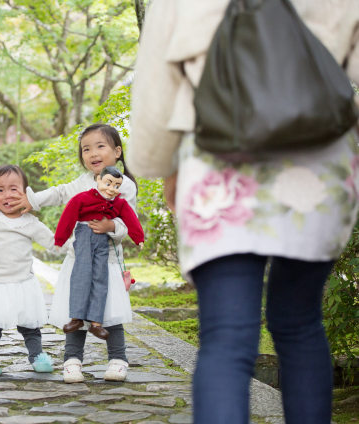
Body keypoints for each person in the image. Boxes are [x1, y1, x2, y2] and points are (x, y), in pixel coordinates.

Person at [128, 1, 359, 423]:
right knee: (301, 323)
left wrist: (159, 165)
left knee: (227, 336)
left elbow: (157, 84)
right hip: (319, 160)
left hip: (219, 156)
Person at [10, 123, 137, 383]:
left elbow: (127, 223)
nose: (92, 153)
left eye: (100, 146)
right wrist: (31, 200)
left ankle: (118, 359)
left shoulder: (125, 187)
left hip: (108, 263)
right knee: (75, 312)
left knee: (109, 311)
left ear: (117, 151)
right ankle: (72, 360)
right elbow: (59, 193)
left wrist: (110, 225)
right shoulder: (82, 183)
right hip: (78, 260)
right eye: (86, 149)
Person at [0, 165, 58, 377]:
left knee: (29, 325)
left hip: (23, 282)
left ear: (26, 193)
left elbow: (54, 243)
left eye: (14, 189)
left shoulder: (31, 223)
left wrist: (76, 245)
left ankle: (37, 356)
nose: (7, 195)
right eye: (0, 190)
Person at [55, 166, 144, 340]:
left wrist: (138, 237)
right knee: (81, 275)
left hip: (103, 242)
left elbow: (130, 219)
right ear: (99, 180)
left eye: (116, 186)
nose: (112, 189)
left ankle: (96, 323)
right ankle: (76, 317)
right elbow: (68, 216)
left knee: (100, 278)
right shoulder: (82, 198)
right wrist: (60, 238)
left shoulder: (119, 203)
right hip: (84, 237)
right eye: (108, 183)